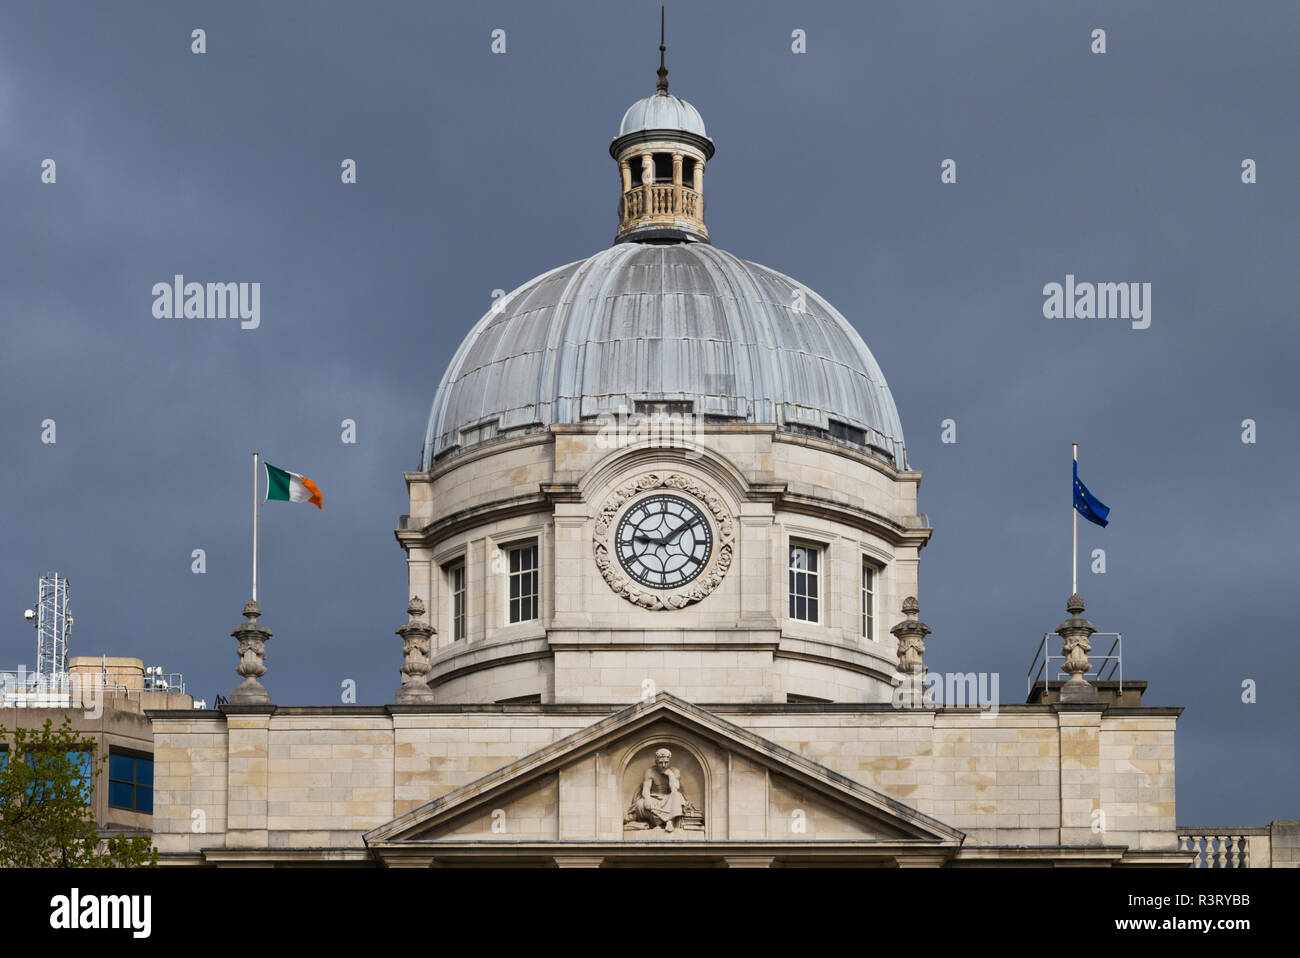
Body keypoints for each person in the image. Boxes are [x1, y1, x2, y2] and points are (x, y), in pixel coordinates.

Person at [627, 748, 687, 831]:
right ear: (656, 762)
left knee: (677, 796)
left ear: (669, 761)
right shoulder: (650, 772)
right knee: (640, 804)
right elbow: (646, 788)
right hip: (654, 799)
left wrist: (670, 775)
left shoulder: (675, 771)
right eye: (661, 763)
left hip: (668, 799)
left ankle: (670, 821)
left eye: (666, 762)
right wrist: (647, 799)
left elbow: (674, 789)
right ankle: (659, 823)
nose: (663, 765)